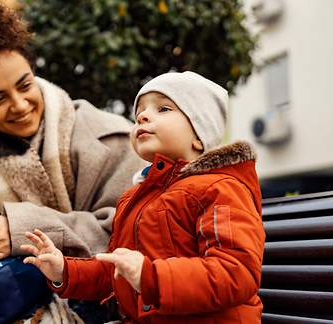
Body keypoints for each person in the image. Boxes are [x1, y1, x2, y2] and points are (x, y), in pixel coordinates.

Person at [0, 1, 146, 323]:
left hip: (100, 302)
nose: (20, 105)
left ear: (34, 73)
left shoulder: (110, 138)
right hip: (6, 300)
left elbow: (126, 233)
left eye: (25, 85)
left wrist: (19, 231)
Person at [22, 71, 266, 323]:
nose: (142, 116)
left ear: (199, 135)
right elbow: (115, 271)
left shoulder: (220, 188)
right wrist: (65, 270)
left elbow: (235, 273)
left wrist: (150, 277)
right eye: (140, 111)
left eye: (163, 108)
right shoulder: (136, 198)